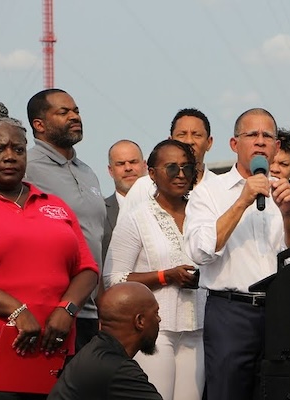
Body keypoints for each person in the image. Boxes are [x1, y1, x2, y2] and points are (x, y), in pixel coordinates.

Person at [0, 102, 98, 400]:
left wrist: (66, 309)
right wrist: (16, 310)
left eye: (18, 150)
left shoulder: (54, 204)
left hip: (51, 348)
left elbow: (87, 268)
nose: (10, 156)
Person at [184, 108, 290, 400]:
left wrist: (289, 215)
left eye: (267, 136)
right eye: (251, 134)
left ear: (276, 147)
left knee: (279, 392)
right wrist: (242, 200)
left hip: (280, 314)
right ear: (234, 144)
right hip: (230, 313)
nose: (259, 141)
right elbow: (200, 251)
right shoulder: (209, 191)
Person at [104, 140, 205, 400]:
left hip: (197, 329)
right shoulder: (136, 217)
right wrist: (165, 276)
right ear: (152, 173)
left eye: (187, 168)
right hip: (153, 331)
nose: (181, 174)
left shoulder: (203, 214)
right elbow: (113, 280)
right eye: (172, 168)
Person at [25, 89, 106, 352]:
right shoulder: (25, 168)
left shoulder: (88, 172)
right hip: (49, 312)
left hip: (90, 311)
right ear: (39, 124)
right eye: (64, 112)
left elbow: (96, 239)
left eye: (76, 111)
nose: (74, 117)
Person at [48, 282, 163, 400]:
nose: (159, 319)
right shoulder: (119, 370)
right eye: (156, 313)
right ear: (140, 321)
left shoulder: (96, 350)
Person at [119, 108, 214, 219]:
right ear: (170, 140)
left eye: (196, 135)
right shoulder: (143, 187)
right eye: (182, 134)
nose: (189, 141)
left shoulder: (219, 189)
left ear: (209, 143)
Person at [103, 140, 147, 259]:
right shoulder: (98, 211)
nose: (128, 168)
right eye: (120, 164)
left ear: (145, 166)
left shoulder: (164, 206)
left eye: (133, 162)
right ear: (110, 170)